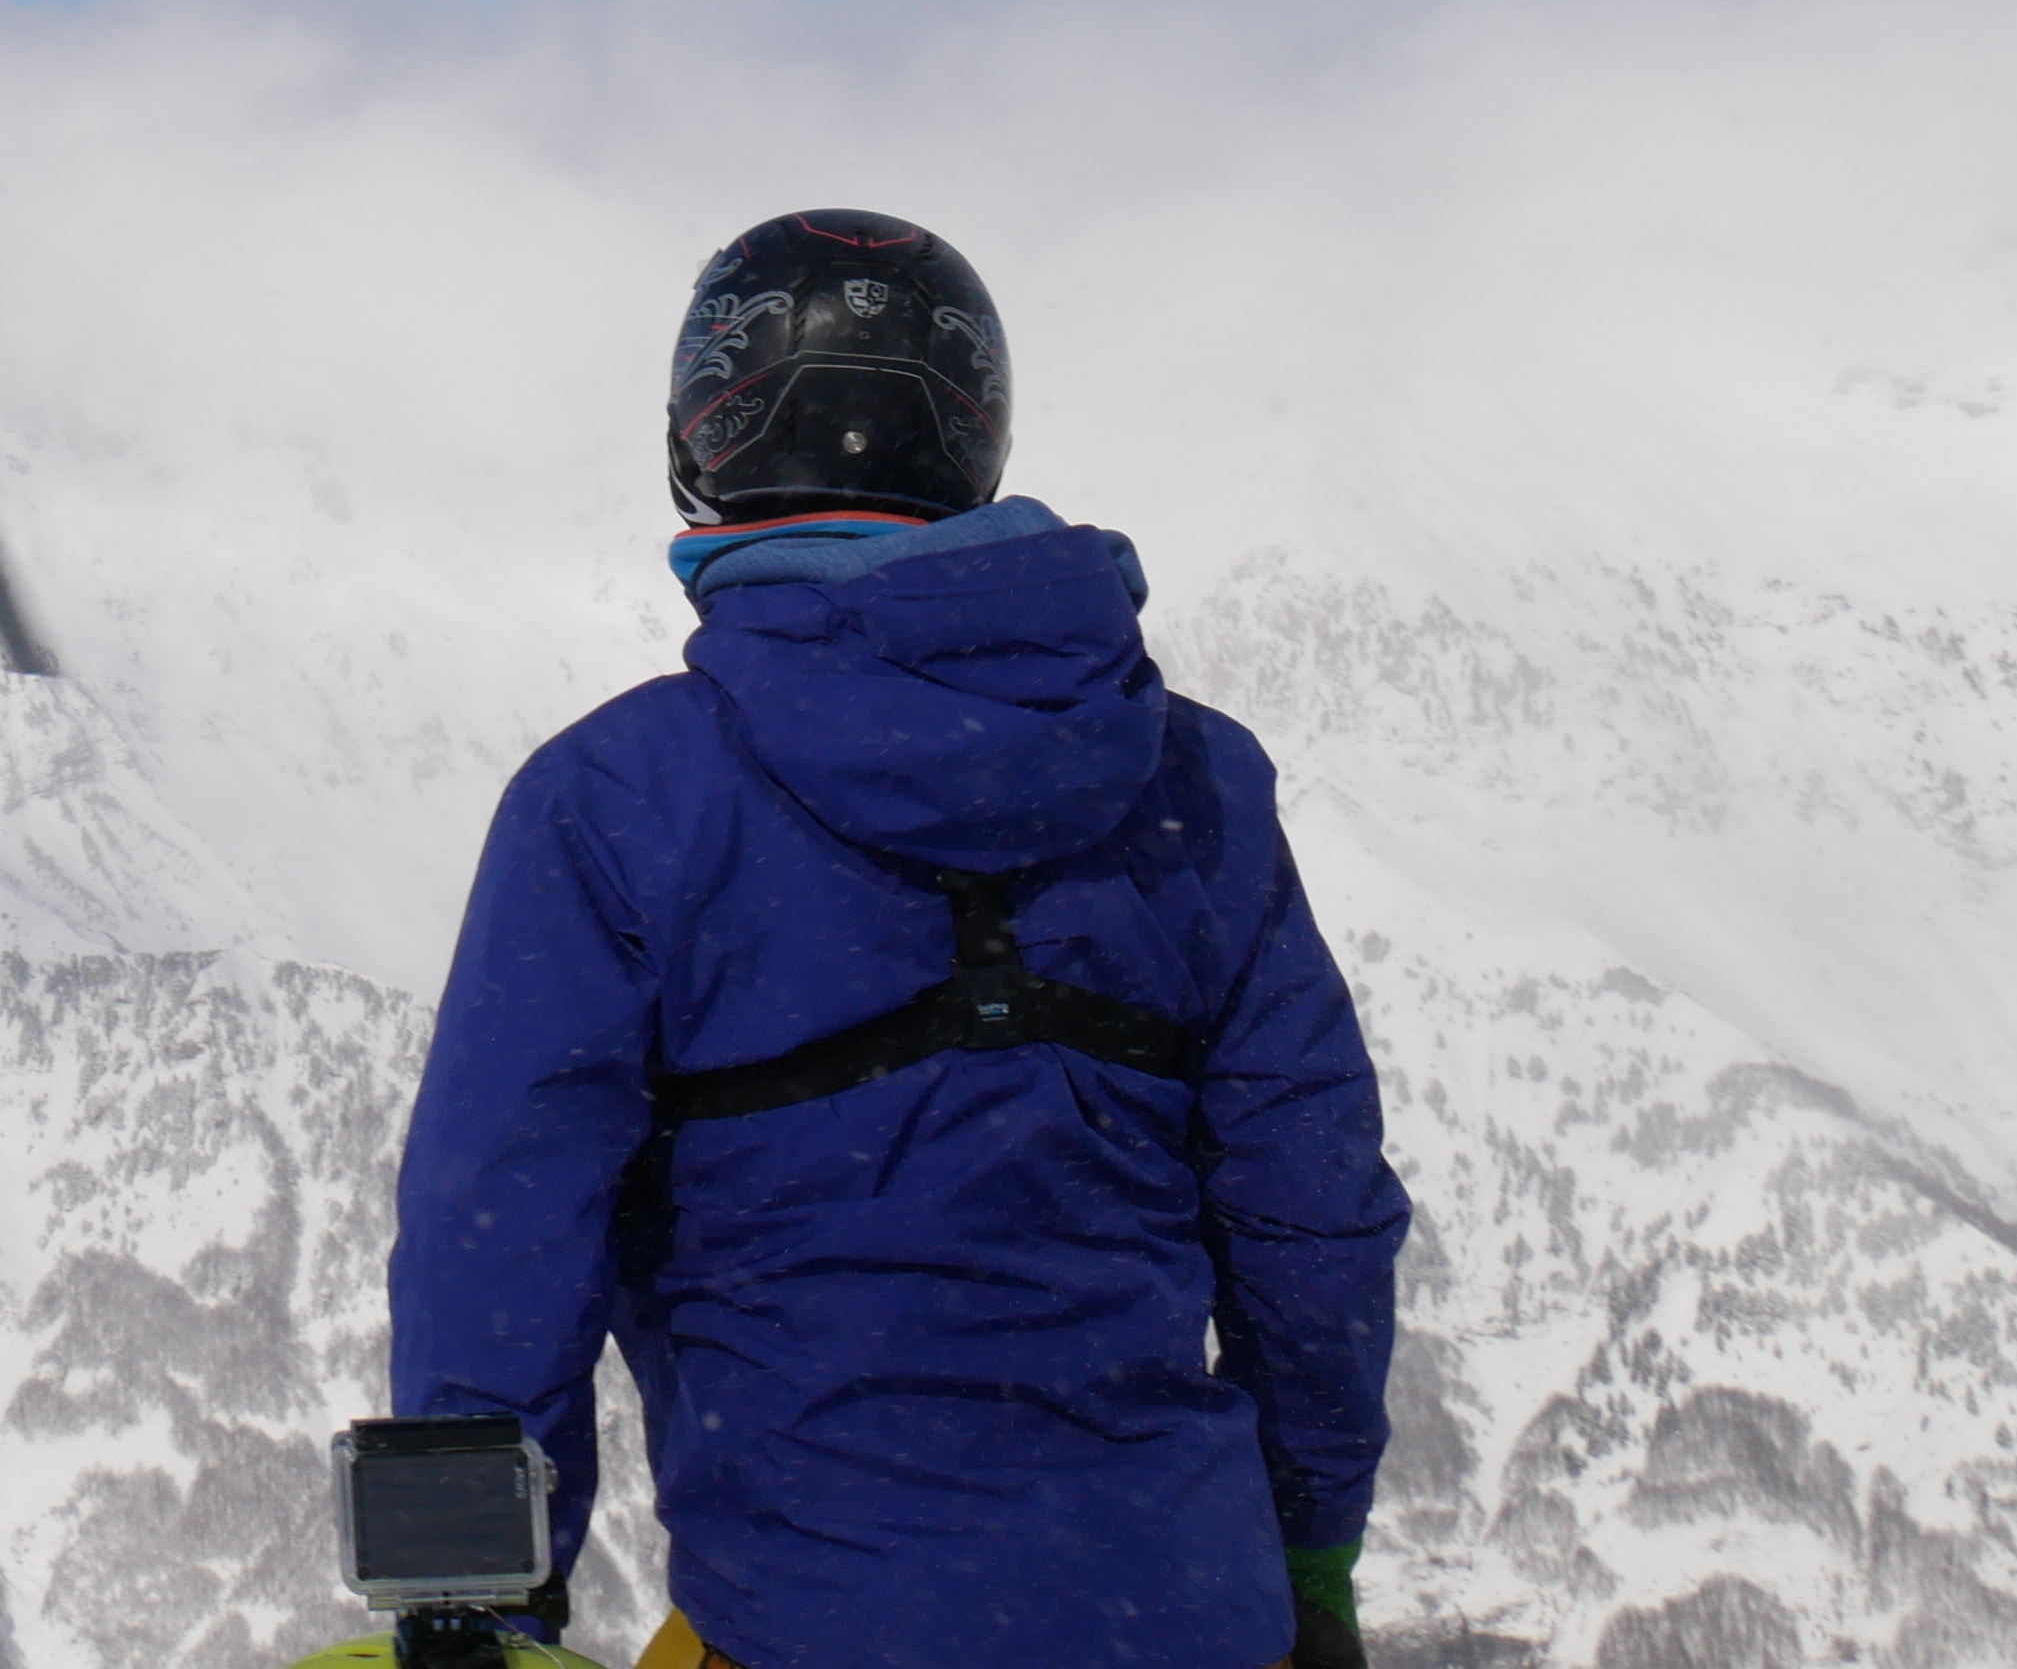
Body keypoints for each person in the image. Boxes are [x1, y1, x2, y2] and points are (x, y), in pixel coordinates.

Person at [383, 209, 1404, 1669]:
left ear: (709, 440)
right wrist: (1312, 1555)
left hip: (808, 1627)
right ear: (974, 434)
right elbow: (1315, 1218)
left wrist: (472, 1609)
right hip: (1193, 1617)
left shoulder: (616, 804)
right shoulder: (1195, 790)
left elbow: (496, 1236)